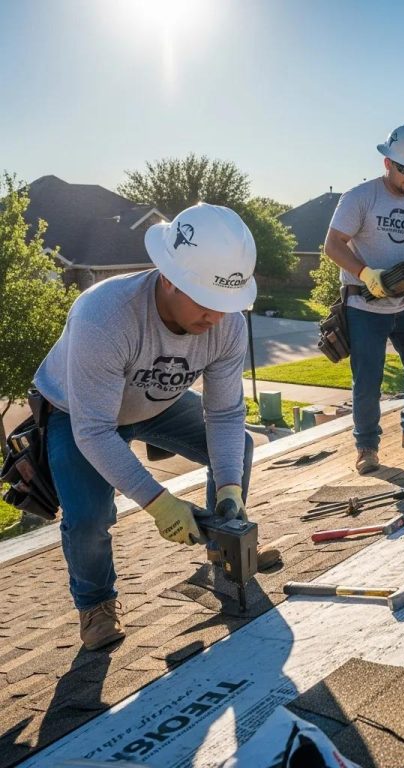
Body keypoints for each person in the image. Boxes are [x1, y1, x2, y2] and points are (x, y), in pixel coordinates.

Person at [34, 202, 267, 650]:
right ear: (169, 278)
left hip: (156, 401)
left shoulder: (227, 327)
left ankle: (226, 544)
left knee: (236, 449)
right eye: (207, 302)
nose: (217, 318)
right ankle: (96, 604)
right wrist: (159, 504)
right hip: (78, 412)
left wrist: (229, 488)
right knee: (88, 517)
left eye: (227, 304)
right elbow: (94, 431)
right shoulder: (104, 315)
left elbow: (223, 414)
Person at [324, 124, 404, 474]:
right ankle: (366, 448)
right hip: (365, 306)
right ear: (387, 163)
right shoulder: (359, 197)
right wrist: (366, 273)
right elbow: (332, 245)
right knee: (368, 381)